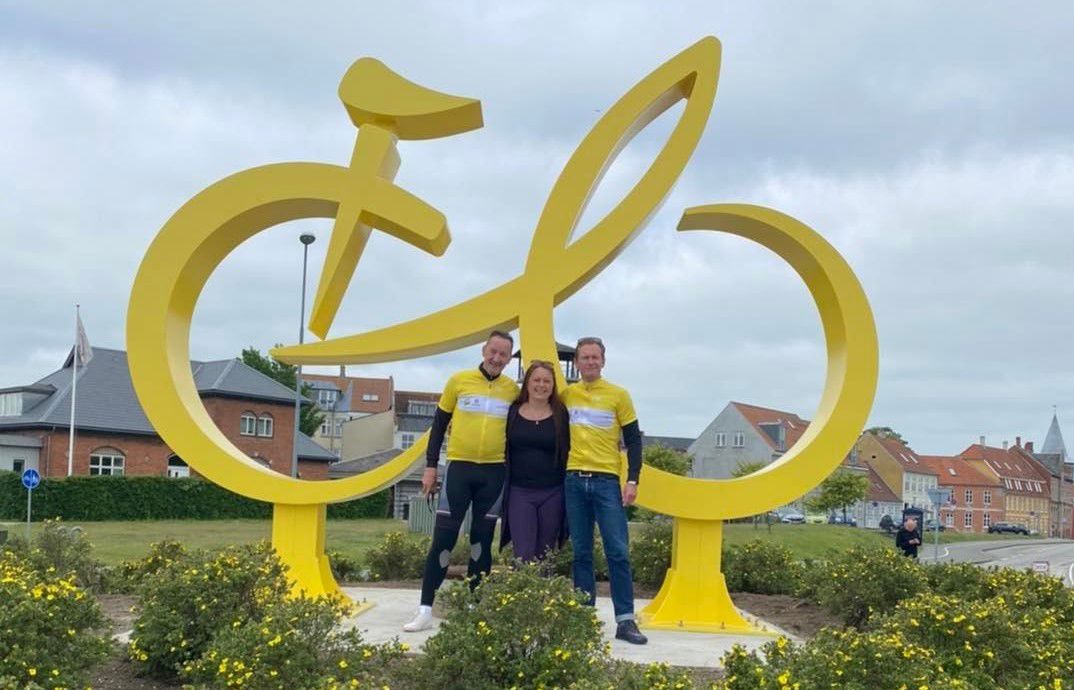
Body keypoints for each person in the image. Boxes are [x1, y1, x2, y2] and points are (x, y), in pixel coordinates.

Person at [402, 330, 519, 632]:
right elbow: (438, 426)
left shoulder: (513, 391)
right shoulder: (459, 381)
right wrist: (430, 467)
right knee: (443, 540)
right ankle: (425, 610)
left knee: (481, 543)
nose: (496, 358)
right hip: (458, 470)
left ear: (509, 358)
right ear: (483, 350)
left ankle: (473, 607)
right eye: (492, 351)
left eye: (503, 354)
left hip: (494, 473)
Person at [561, 336, 647, 645]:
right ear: (576, 362)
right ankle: (584, 619)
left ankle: (625, 621)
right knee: (581, 552)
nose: (590, 362)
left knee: (618, 552)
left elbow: (634, 439)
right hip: (573, 480)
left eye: (595, 357)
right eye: (584, 357)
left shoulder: (619, 395)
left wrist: (633, 479)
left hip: (607, 482)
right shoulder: (566, 395)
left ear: (603, 361)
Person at [500, 360, 570, 562]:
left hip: (553, 492)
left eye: (547, 381)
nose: (541, 385)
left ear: (553, 385)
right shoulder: (512, 412)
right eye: (536, 380)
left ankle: (543, 594)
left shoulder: (561, 414)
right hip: (520, 492)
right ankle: (520, 593)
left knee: (545, 554)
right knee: (523, 553)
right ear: (527, 382)